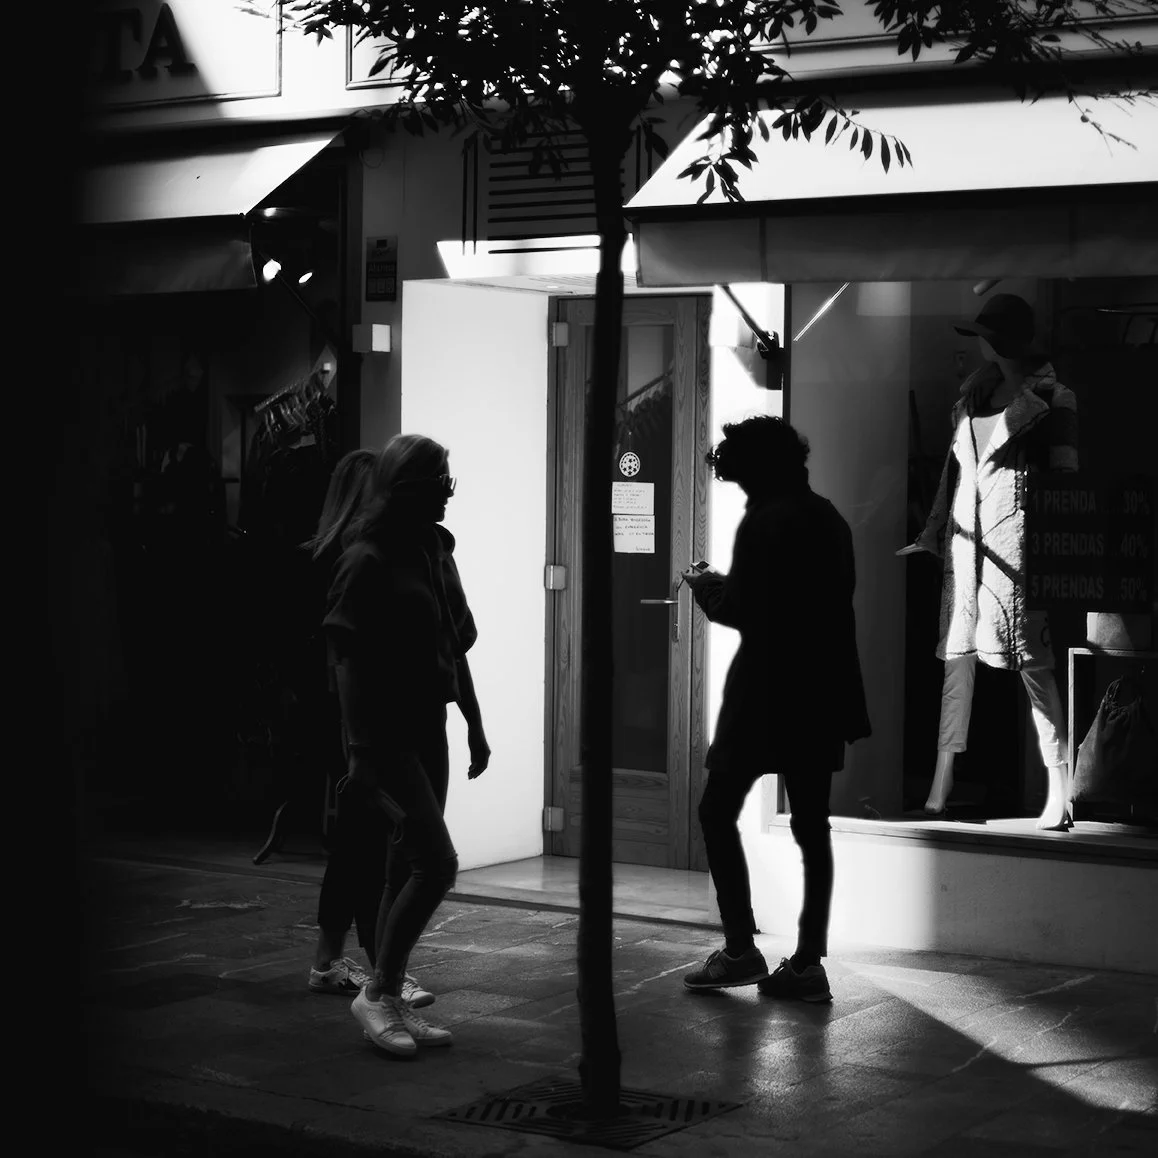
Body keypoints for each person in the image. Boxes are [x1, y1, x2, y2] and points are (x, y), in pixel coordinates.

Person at [681, 415, 870, 1003]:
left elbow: (743, 609)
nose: (724, 465)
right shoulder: (829, 518)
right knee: (814, 827)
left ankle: (740, 949)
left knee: (717, 811)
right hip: (821, 691)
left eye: (732, 457)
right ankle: (808, 962)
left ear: (754, 466)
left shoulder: (764, 520)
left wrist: (705, 586)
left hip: (766, 692)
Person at [324, 434, 491, 1057]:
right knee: (437, 863)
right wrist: (359, 751)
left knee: (406, 866)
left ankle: (386, 991)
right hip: (387, 732)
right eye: (440, 477)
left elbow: (455, 644)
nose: (450, 488)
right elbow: (344, 658)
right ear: (408, 484)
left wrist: (473, 720)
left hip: (429, 725)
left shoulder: (435, 550)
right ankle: (379, 992)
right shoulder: (366, 557)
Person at [898, 294, 1077, 830]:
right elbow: (954, 479)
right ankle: (942, 777)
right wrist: (933, 532)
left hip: (1019, 547)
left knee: (1033, 666)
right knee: (958, 662)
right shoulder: (972, 398)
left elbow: (1067, 482)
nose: (980, 343)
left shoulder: (1053, 399)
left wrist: (1049, 550)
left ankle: (1059, 786)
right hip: (967, 543)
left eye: (986, 335)